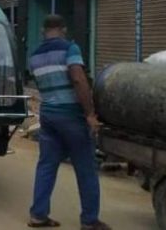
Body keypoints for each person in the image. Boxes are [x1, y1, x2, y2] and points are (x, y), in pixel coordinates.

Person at [27, 15, 109, 230]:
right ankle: (89, 220)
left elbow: (41, 86)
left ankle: (38, 215)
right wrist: (89, 114)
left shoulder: (34, 56)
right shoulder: (70, 48)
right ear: (63, 29)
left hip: (48, 114)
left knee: (46, 165)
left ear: (43, 31)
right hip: (71, 115)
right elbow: (78, 79)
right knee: (86, 167)